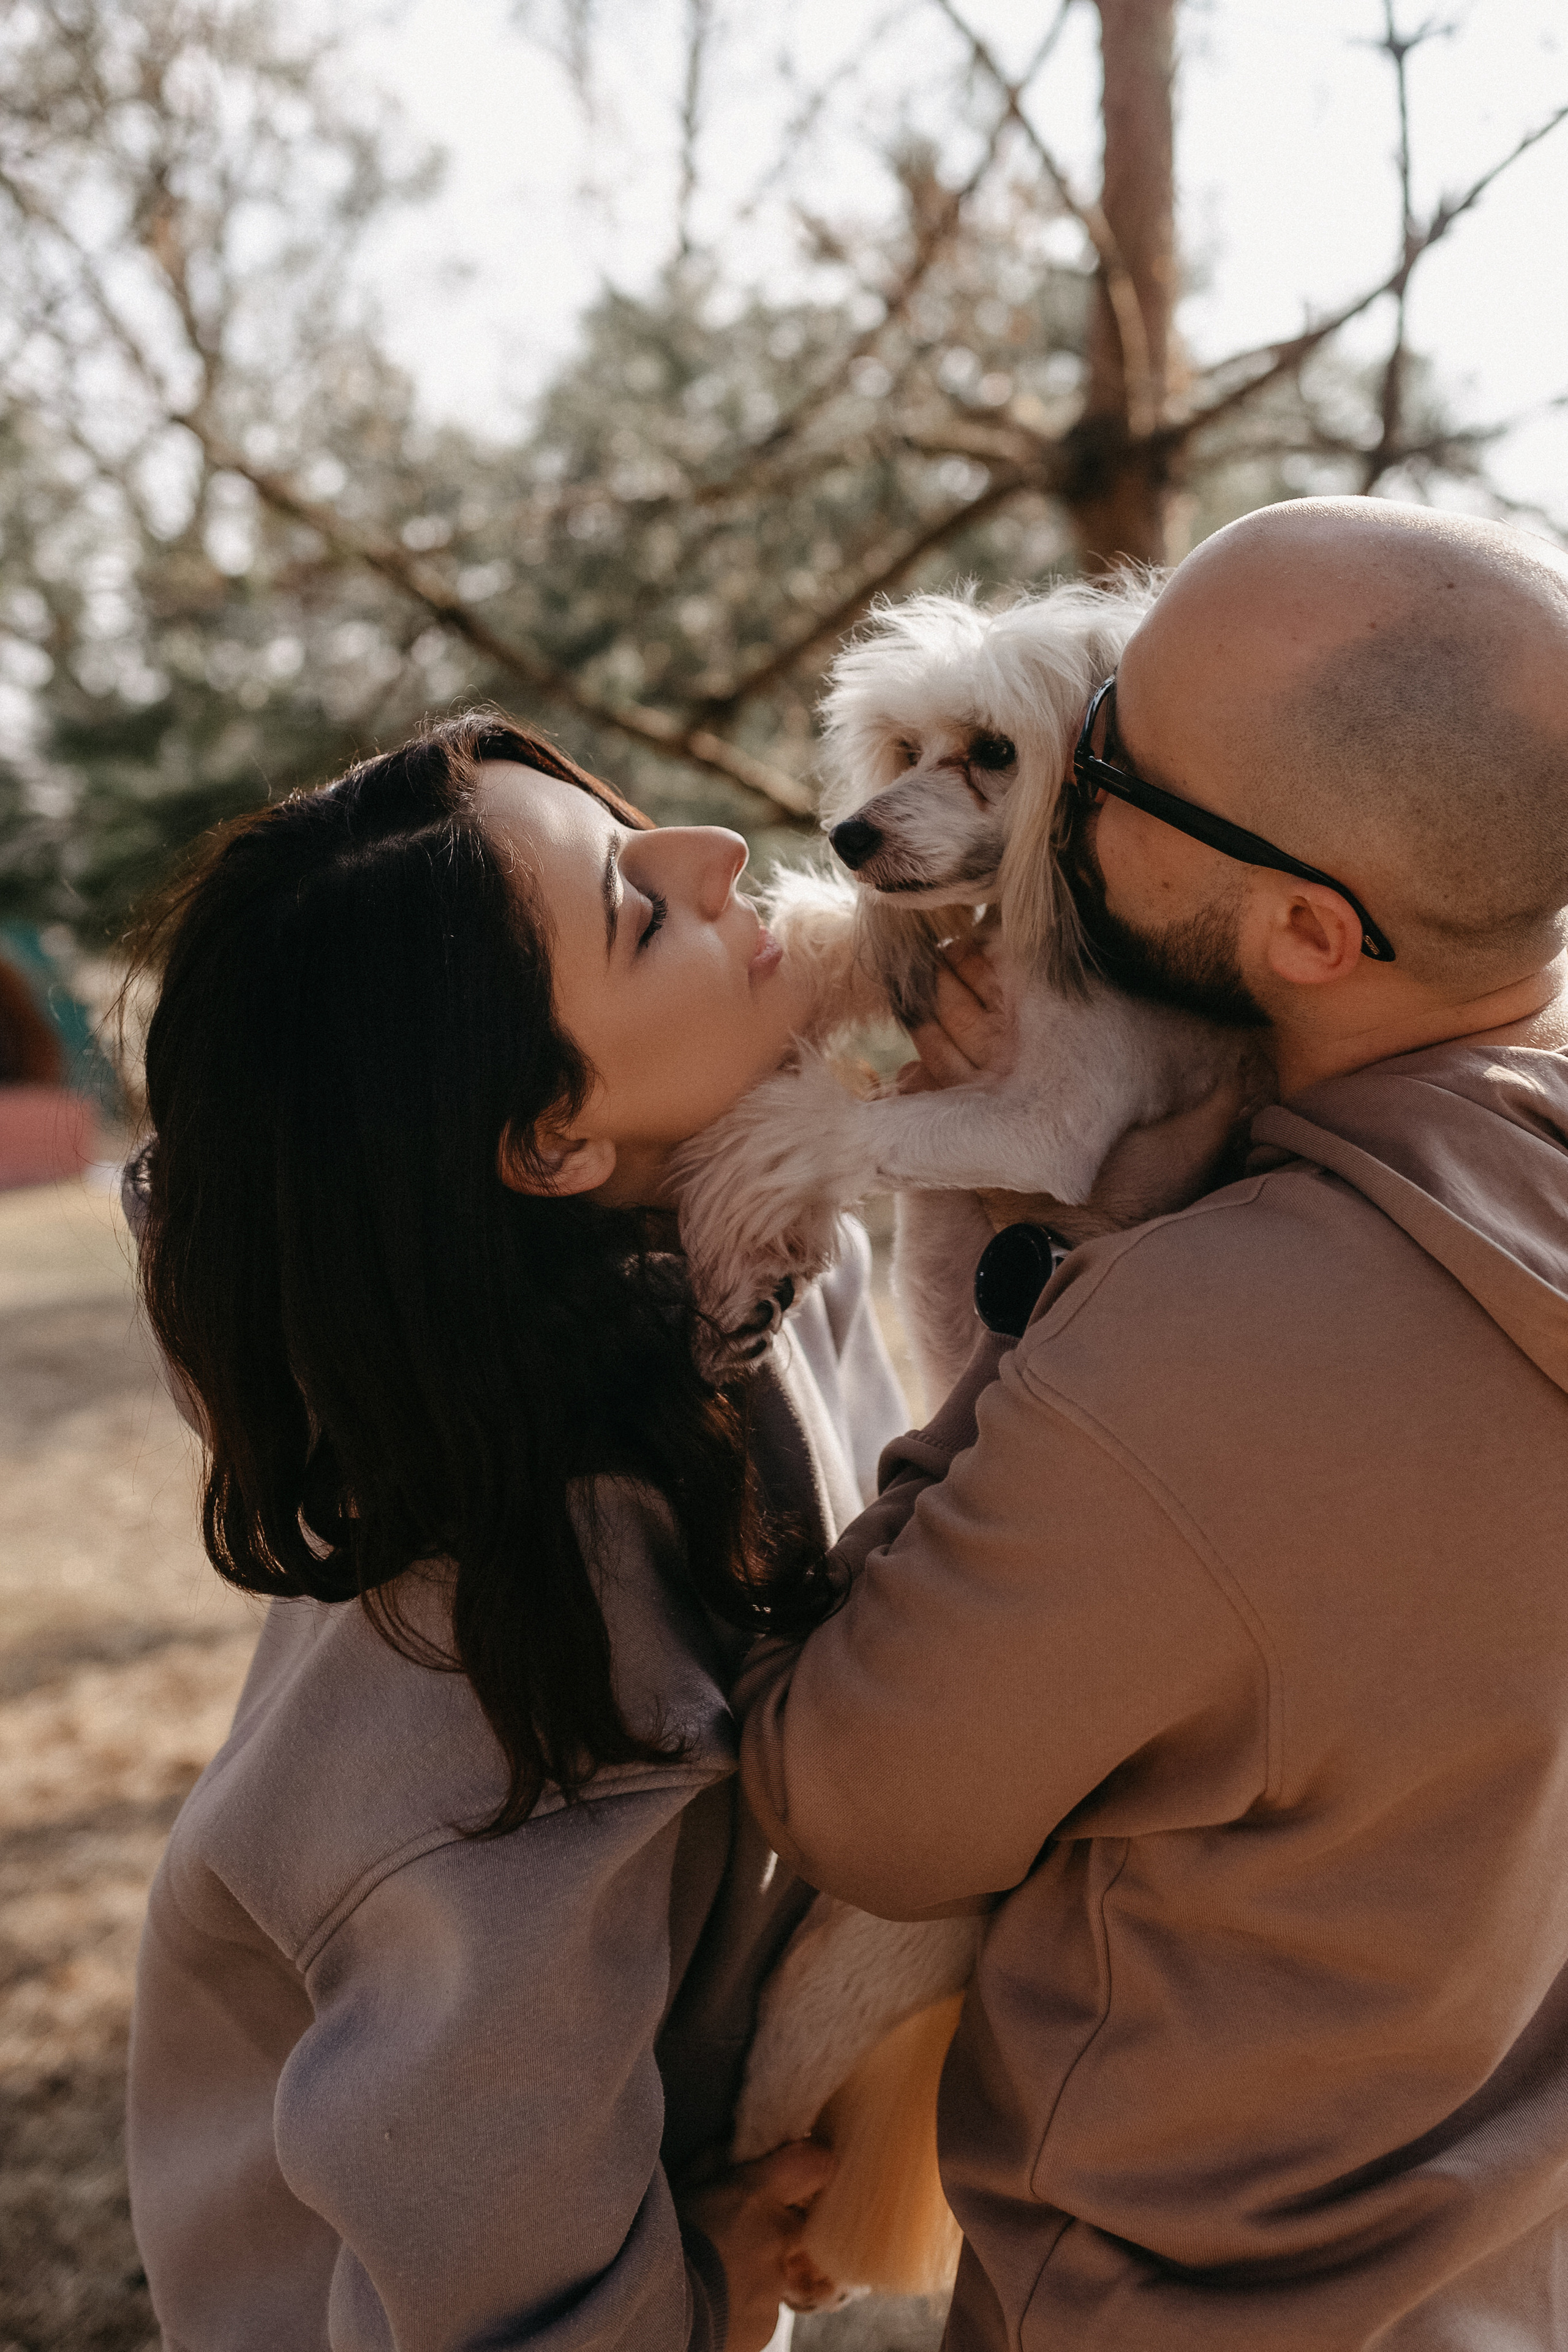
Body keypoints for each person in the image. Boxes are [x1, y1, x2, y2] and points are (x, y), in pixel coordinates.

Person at [737, 497, 1568, 2350]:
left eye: (1107, 762)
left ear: (1305, 929)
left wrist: (1073, 1288)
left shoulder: (1195, 1341)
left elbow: (854, 1794)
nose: (1067, 806)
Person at [121, 714, 914, 2351]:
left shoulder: (745, 1260)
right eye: (638, 910)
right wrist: (667, 2300)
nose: (710, 852)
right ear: (549, 1141)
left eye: (631, 824)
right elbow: (471, 2195)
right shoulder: (509, 1602)